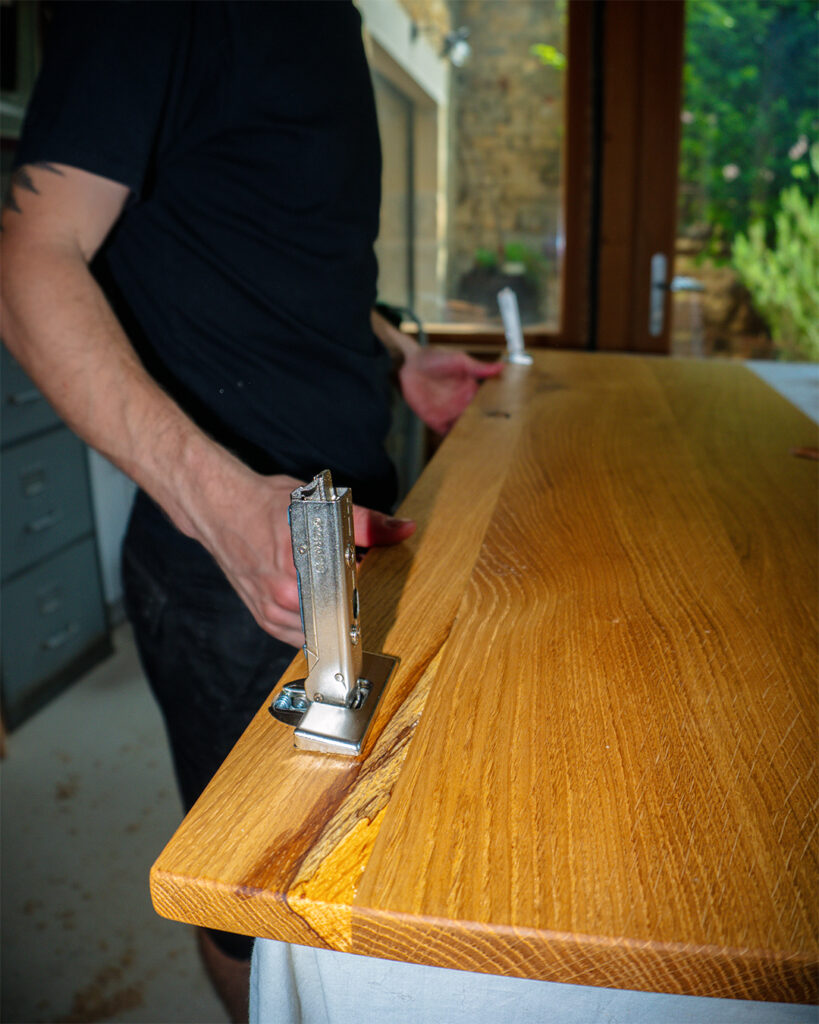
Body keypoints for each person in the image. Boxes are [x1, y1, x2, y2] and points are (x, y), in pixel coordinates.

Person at [0, 3, 501, 1021]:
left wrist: (403, 359)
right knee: (258, 908)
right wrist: (225, 507)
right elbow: (27, 262)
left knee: (362, 871)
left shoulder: (331, 20)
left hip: (351, 520)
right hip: (234, 565)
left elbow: (275, 245)